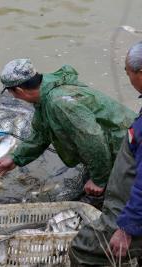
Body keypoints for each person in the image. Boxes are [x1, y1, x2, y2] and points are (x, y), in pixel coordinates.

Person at [0, 59, 136, 204]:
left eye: (11, 92)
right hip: (117, 140)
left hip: (129, 148)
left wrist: (99, 180)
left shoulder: (59, 103)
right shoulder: (46, 91)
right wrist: (16, 158)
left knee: (119, 202)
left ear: (19, 90)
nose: (14, 97)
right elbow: (41, 134)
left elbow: (93, 140)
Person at [69, 42, 142, 266]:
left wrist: (127, 228)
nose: (127, 78)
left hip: (132, 213)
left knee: (82, 249)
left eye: (127, 72)